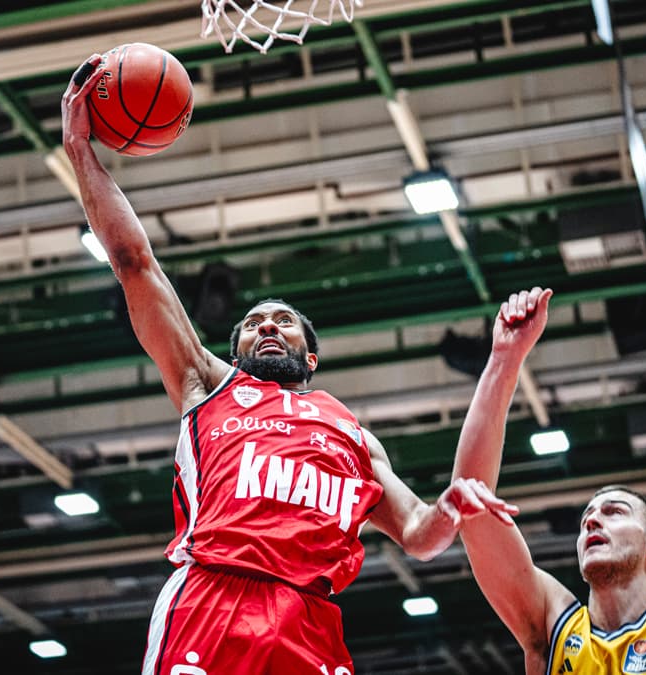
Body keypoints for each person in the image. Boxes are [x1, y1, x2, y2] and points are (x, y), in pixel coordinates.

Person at [61, 56, 550, 675]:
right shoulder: (206, 383)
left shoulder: (352, 435)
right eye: (254, 323)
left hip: (310, 623)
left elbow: (422, 537)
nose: (267, 325)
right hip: (213, 603)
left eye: (282, 320)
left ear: (309, 356)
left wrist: (450, 505)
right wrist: (80, 151)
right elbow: (135, 262)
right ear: (234, 350)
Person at [452, 295, 646, 675]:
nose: (591, 522)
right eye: (587, 518)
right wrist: (504, 359)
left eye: (614, 511)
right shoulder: (553, 626)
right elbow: (468, 504)